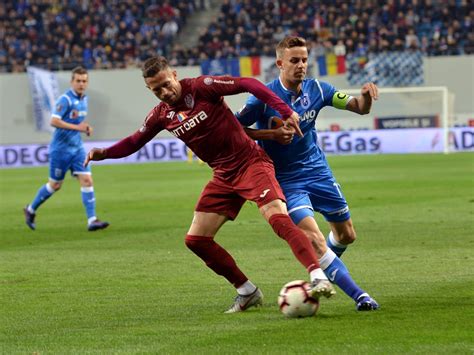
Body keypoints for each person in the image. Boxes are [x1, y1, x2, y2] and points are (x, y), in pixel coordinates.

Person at [84, 56, 336, 313]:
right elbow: (133, 141)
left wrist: (285, 110)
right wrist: (104, 153)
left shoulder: (202, 87)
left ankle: (317, 275)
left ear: (173, 75)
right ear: (149, 89)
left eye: (165, 84)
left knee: (278, 220)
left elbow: (248, 83)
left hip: (251, 164)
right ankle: (247, 290)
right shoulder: (161, 115)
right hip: (223, 176)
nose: (164, 92)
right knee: (196, 240)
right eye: (156, 89)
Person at [236, 36, 379, 311]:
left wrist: (365, 98)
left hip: (318, 171)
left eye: (304, 60)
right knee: (313, 239)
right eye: (294, 60)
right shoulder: (261, 98)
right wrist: (270, 135)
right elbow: (233, 129)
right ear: (280, 63)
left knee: (347, 235)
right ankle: (360, 296)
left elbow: (359, 108)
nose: (301, 65)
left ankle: (324, 270)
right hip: (285, 180)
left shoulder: (318, 89)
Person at [23, 66, 109, 232]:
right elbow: (54, 121)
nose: (81, 84)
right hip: (60, 150)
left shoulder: (84, 99)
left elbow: (77, 123)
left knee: (87, 180)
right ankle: (30, 209)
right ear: (71, 82)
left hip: (77, 149)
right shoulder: (65, 99)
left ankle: (92, 220)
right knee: (55, 185)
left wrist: (86, 128)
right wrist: (79, 128)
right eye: (78, 81)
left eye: (84, 81)